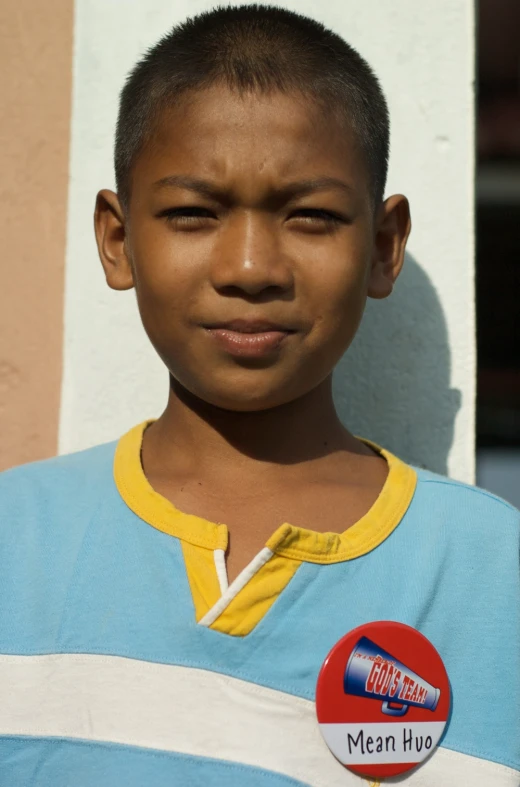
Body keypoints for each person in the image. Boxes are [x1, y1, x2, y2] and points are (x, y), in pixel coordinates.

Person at [0, 5, 518, 786]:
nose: (249, 267)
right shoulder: (16, 540)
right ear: (117, 239)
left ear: (382, 247)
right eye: (192, 214)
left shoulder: (490, 570)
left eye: (310, 216)